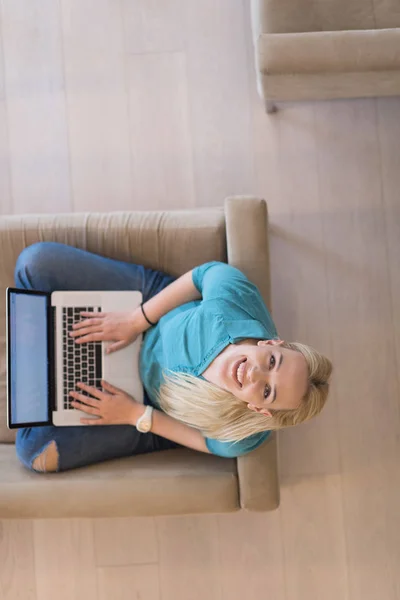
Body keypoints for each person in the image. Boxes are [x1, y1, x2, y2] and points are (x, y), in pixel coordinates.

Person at [14, 242, 332, 473]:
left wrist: (132, 414)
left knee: (35, 453)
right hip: (152, 316)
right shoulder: (235, 304)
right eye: (273, 362)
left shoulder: (243, 435)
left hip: (145, 405)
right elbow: (205, 275)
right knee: (34, 262)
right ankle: (46, 354)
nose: (255, 374)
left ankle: (44, 352)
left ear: (260, 409)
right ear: (272, 343)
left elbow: (204, 443)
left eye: (267, 391)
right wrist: (137, 319)